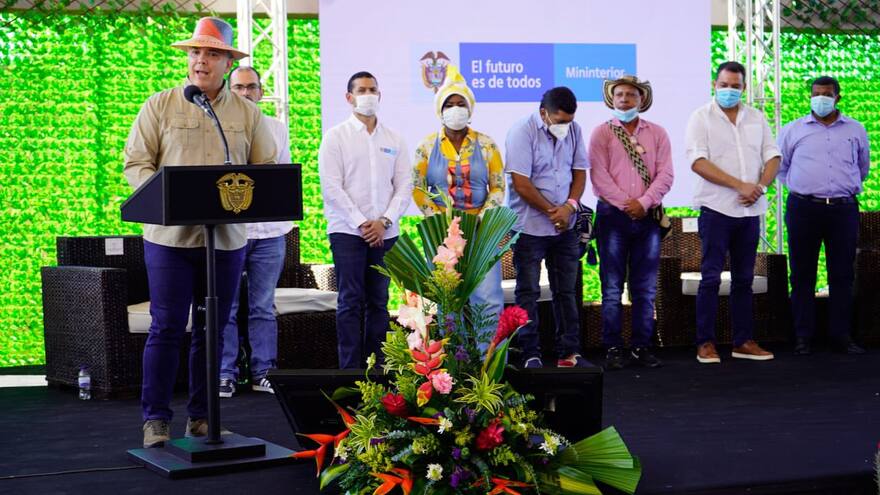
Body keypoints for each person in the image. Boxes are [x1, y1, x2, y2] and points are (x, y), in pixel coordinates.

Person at [123, 17, 277, 448]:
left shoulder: (248, 113)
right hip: (169, 240)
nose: (200, 61)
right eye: (195, 52)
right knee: (167, 327)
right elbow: (137, 164)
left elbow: (265, 169)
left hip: (225, 241)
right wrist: (164, 202)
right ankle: (155, 420)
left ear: (228, 63)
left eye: (211, 53)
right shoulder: (160, 105)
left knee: (213, 329)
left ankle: (203, 417)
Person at [685, 61, 780, 364]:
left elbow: (773, 156)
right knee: (711, 278)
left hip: (750, 212)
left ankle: (743, 341)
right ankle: (705, 343)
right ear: (714, 85)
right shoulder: (701, 117)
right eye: (724, 85)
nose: (729, 90)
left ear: (744, 88)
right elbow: (698, 162)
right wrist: (740, 185)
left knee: (744, 279)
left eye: (735, 86)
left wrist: (759, 187)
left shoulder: (757, 117)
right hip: (716, 209)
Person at [318, 71, 412, 369]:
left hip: (386, 232)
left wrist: (384, 221)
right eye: (361, 90)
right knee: (350, 301)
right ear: (349, 97)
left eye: (372, 90)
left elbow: (404, 186)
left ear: (380, 95)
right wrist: (361, 222)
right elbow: (331, 187)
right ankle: (350, 371)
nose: (368, 95)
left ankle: (377, 368)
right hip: (347, 232)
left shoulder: (394, 138)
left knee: (379, 301)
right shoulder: (335, 137)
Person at [412, 67, 504, 349]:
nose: (455, 110)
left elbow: (498, 186)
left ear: (470, 108)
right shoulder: (426, 146)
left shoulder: (486, 144)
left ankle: (489, 365)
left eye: (460, 104)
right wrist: (441, 221)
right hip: (441, 234)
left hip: (481, 231)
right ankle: (455, 363)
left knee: (488, 299)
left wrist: (483, 218)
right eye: (449, 105)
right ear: (440, 110)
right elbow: (417, 188)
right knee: (447, 301)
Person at [777, 76, 869, 356]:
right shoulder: (792, 130)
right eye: (816, 93)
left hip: (843, 209)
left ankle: (841, 336)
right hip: (804, 208)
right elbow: (781, 168)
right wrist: (804, 188)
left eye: (827, 94)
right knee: (801, 273)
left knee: (842, 274)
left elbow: (862, 167)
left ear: (837, 97)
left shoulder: (855, 129)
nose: (820, 99)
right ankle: (803, 336)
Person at [218, 66, 294, 397]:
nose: (246, 92)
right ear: (228, 91)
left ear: (261, 92)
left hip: (270, 233)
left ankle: (264, 371)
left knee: (263, 306)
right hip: (229, 233)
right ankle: (226, 373)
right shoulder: (217, 128)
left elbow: (283, 178)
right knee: (228, 306)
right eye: (239, 87)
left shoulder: (277, 129)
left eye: (251, 87)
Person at [589, 75, 674, 370]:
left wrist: (644, 203)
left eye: (631, 95)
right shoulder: (601, 133)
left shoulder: (658, 133)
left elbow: (666, 175)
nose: (624, 99)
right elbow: (598, 176)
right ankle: (613, 347)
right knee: (611, 288)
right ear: (612, 99)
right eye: (619, 94)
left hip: (647, 217)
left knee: (645, 288)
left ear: (641, 99)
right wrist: (628, 204)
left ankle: (642, 346)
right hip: (612, 216)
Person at [505, 86, 591, 369]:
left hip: (565, 227)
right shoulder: (522, 131)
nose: (565, 126)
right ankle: (530, 353)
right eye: (560, 121)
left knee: (566, 291)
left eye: (569, 121)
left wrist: (569, 207)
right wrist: (552, 212)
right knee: (527, 292)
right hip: (529, 227)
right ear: (544, 113)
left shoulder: (574, 130)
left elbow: (579, 173)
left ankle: (569, 352)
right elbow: (521, 183)